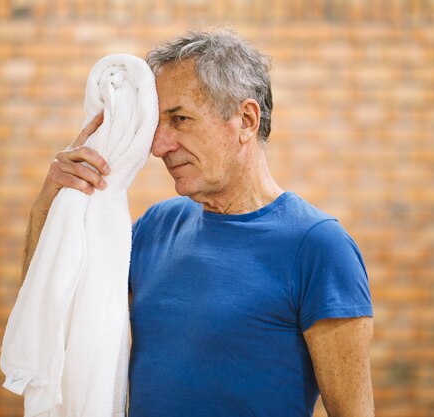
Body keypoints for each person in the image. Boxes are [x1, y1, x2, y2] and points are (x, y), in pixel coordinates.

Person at [23, 29, 374, 417]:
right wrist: (51, 207)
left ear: (245, 119)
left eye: (180, 118)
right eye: (158, 123)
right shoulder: (157, 226)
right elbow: (54, 315)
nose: (159, 146)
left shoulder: (319, 246)